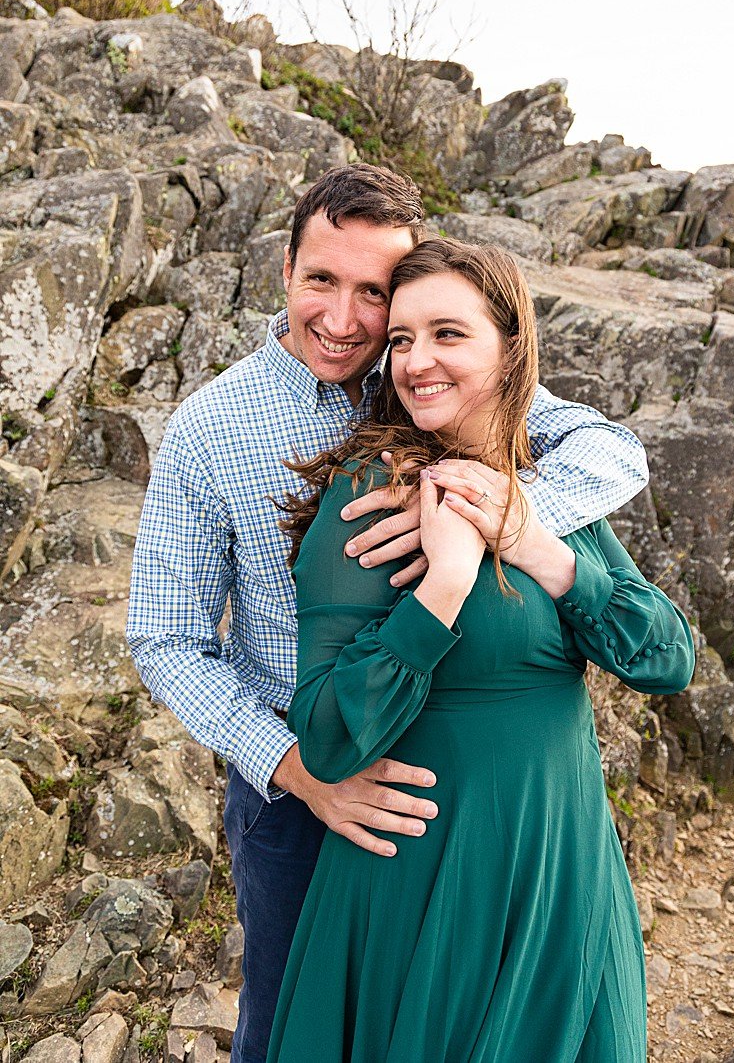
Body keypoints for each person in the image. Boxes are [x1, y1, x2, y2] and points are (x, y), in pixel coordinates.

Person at [127, 163, 651, 1063]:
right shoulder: (212, 428)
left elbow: (611, 451)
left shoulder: (422, 374)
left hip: (462, 782)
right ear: (284, 269)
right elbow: (165, 639)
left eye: (374, 292)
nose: (343, 319)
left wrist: (496, 517)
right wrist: (297, 768)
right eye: (321, 280)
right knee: (298, 1020)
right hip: (305, 782)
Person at [265, 237, 693, 1060]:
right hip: (433, 888)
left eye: (447, 334)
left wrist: (541, 547)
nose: (415, 360)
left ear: (511, 348)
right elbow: (323, 732)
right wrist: (441, 592)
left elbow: (667, 658)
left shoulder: (547, 487)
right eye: (400, 339)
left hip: (565, 869)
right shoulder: (373, 492)